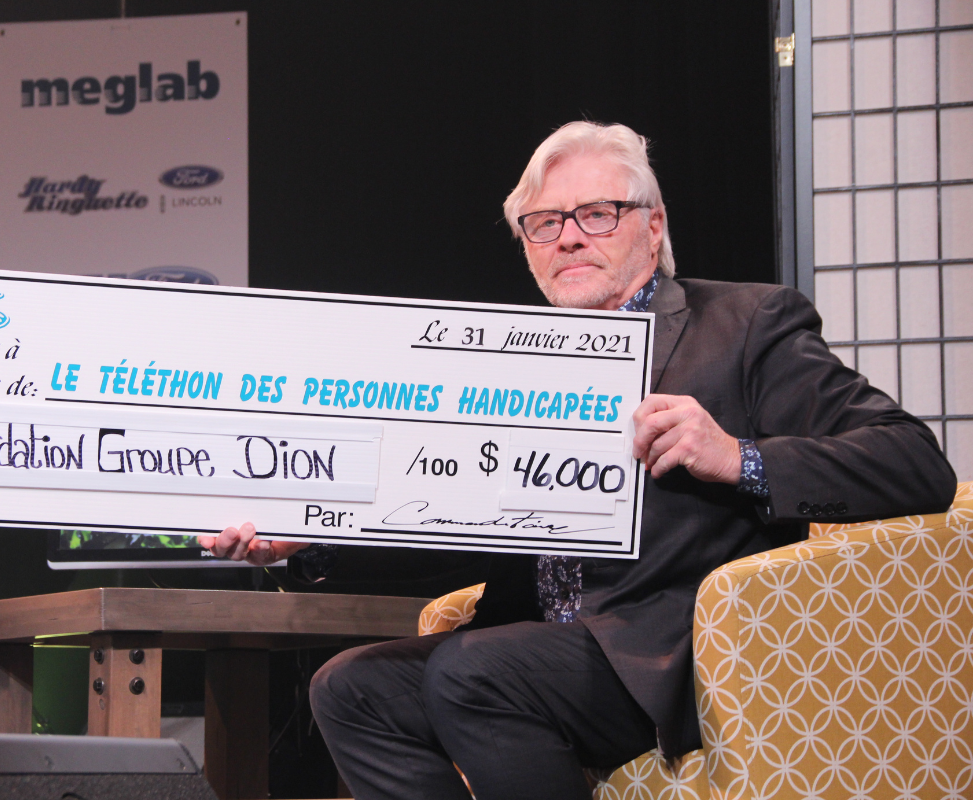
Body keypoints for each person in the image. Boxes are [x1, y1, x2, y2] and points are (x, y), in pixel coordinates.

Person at [200, 122, 957, 800]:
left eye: (597, 214)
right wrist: (311, 535)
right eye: (544, 223)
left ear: (653, 227)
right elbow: (437, 513)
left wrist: (737, 456)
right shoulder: (506, 367)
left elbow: (914, 463)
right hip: (533, 643)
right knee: (350, 688)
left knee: (472, 671)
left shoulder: (745, 324)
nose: (567, 238)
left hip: (673, 653)